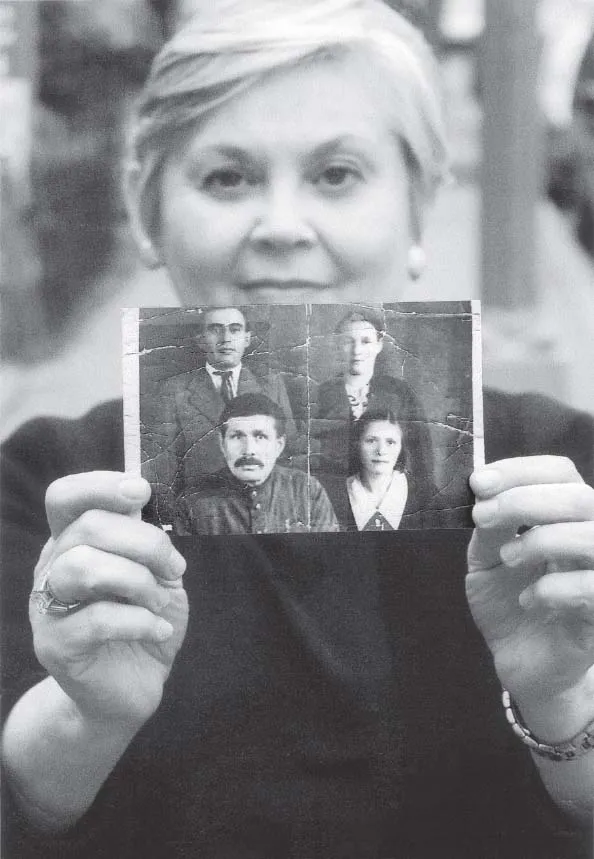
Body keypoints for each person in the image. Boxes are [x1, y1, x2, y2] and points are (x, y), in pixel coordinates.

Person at [2, 2, 594, 857]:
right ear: (146, 215)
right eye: (227, 178)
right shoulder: (47, 487)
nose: (281, 225)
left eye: (337, 173)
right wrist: (83, 719)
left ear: (420, 209)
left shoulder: (561, 481)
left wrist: (568, 703)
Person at [141, 305, 296, 523]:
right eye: (215, 329)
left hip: (268, 513)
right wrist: (174, 522)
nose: (226, 339)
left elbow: (290, 453)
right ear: (201, 340)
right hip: (204, 515)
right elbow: (161, 469)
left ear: (247, 339)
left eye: (235, 329)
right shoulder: (175, 391)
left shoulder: (271, 385)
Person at [174, 393, 339, 534]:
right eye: (237, 436)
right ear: (222, 443)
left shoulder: (306, 490)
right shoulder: (191, 502)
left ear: (278, 445)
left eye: (260, 437)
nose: (249, 450)